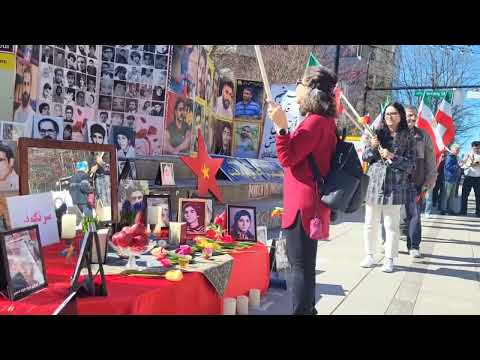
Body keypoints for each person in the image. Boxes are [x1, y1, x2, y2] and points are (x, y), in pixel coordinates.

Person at [267, 65, 338, 315]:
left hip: (303, 205)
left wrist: (282, 127)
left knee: (299, 267)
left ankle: (302, 311)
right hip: (311, 202)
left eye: (300, 81)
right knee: (306, 265)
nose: (295, 86)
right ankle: (308, 310)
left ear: (310, 89)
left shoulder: (315, 122)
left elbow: (287, 157)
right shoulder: (324, 121)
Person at [361, 102, 416, 272]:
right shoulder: (377, 134)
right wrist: (372, 146)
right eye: (386, 114)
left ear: (400, 116)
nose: (389, 117)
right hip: (375, 182)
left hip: (395, 185)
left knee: (391, 225)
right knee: (370, 222)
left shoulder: (408, 138)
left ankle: (390, 258)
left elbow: (411, 165)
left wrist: (393, 156)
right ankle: (369, 254)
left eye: (393, 114)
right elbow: (365, 157)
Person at [401, 105, 437, 258]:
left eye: (414, 115)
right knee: (393, 215)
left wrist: (430, 179)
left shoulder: (423, 136)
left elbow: (430, 160)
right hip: (395, 181)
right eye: (409, 115)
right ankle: (387, 242)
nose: (412, 118)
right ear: (403, 116)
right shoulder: (395, 133)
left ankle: (414, 246)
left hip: (415, 182)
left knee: (414, 214)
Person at [14, 66, 35, 137]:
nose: (26, 89)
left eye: (28, 84)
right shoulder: (16, 112)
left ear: (31, 87)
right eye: (24, 84)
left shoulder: (34, 115)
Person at [460, 141, 480, 216]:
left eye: (478, 148)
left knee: (478, 196)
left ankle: (478, 212)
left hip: (478, 178)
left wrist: (474, 163)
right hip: (468, 177)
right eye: (475, 148)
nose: (477, 150)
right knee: (464, 195)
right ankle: (463, 211)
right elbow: (462, 164)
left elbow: (477, 163)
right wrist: (467, 162)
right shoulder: (467, 155)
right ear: (472, 148)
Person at [440, 144, 461, 215]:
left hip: (453, 178)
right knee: (446, 195)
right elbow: (448, 167)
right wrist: (457, 166)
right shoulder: (449, 157)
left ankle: (450, 209)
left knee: (452, 195)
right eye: (457, 150)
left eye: (459, 150)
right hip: (448, 178)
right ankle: (443, 209)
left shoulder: (455, 157)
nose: (458, 151)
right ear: (452, 150)